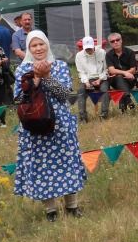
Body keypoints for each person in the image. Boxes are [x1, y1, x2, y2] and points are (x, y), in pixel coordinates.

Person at [12, 31, 88, 219]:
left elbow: (66, 96)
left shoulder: (61, 66)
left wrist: (46, 76)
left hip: (60, 123)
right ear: (28, 49)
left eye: (41, 44)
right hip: (35, 124)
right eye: (34, 45)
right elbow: (19, 99)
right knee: (41, 166)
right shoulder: (22, 70)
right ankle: (51, 210)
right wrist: (35, 80)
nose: (38, 48)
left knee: (66, 162)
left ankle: (72, 206)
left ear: (47, 45)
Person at [74, 35, 109, 121]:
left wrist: (100, 79)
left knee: (105, 90)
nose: (89, 50)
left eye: (90, 48)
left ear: (94, 45)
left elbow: (106, 69)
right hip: (88, 79)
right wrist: (86, 82)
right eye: (86, 49)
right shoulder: (79, 56)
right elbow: (81, 72)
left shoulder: (102, 52)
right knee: (81, 91)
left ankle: (104, 115)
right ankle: (83, 117)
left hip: (101, 78)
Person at [103, 32, 138, 112]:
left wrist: (126, 73)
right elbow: (111, 70)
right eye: (112, 41)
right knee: (119, 78)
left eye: (117, 40)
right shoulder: (108, 54)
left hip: (130, 79)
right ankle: (128, 99)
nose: (115, 42)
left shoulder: (130, 52)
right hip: (115, 81)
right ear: (110, 44)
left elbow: (133, 69)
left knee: (120, 78)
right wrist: (124, 73)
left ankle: (124, 106)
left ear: (121, 40)